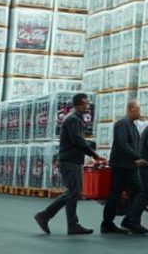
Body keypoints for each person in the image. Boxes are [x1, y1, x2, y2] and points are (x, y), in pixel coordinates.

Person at [35, 93, 101, 235]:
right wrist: (94, 154)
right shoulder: (73, 119)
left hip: (71, 160)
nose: (87, 105)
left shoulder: (74, 119)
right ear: (77, 104)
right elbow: (76, 140)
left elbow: (76, 140)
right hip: (70, 161)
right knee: (73, 192)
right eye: (85, 103)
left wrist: (89, 145)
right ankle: (55, 219)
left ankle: (50, 217)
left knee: (73, 192)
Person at [102, 100, 148, 234]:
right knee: (134, 191)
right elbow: (122, 145)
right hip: (121, 166)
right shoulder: (122, 124)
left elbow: (133, 146)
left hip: (129, 166)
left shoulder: (132, 126)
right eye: (138, 109)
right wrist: (137, 157)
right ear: (131, 109)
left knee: (121, 194)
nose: (140, 112)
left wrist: (138, 158)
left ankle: (119, 222)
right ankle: (127, 221)